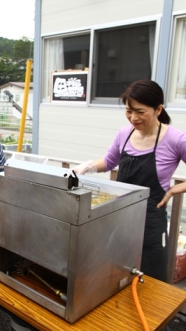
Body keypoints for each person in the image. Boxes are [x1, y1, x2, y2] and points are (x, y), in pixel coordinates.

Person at [74, 79, 186, 282]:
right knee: (116, 277)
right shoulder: (124, 134)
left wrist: (175, 189)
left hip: (151, 223)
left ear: (158, 109)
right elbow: (109, 161)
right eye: (128, 111)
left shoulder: (176, 139)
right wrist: (88, 167)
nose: (133, 118)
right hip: (120, 218)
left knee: (151, 282)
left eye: (140, 112)